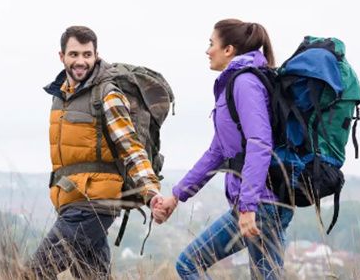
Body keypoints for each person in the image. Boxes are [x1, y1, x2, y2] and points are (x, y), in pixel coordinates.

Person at [153, 19, 293, 279]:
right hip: (261, 202)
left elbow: (260, 144)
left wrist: (249, 206)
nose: (208, 51)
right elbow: (216, 153)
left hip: (260, 203)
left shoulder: (245, 83)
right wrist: (176, 196)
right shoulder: (234, 84)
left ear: (228, 49)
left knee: (189, 263)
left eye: (211, 43)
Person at [27, 26, 166, 279]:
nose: (81, 61)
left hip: (94, 202)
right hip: (72, 199)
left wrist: (151, 191)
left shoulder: (107, 94)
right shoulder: (59, 97)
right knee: (92, 275)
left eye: (87, 54)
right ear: (62, 56)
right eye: (74, 54)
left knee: (37, 270)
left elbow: (131, 147)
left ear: (96, 55)